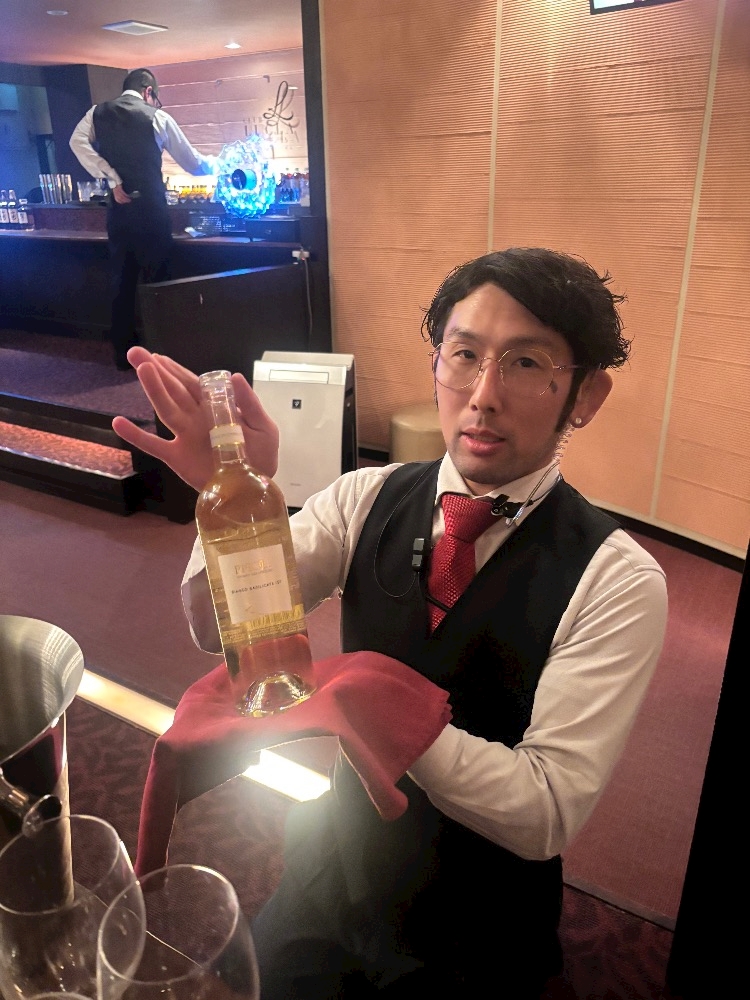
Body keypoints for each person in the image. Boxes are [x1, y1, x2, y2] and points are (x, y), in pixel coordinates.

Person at [112, 247, 668, 999]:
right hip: (338, 861)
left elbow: (546, 810)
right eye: (464, 355)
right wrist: (232, 497)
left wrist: (382, 711)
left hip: (483, 917)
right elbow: (218, 628)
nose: (483, 396)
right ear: (437, 364)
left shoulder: (618, 580)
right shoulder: (361, 499)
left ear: (586, 394)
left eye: (527, 364)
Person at [69, 68, 216, 370]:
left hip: (119, 211)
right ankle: (161, 355)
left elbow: (76, 142)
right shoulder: (157, 117)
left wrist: (111, 177)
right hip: (151, 210)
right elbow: (193, 163)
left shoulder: (97, 113)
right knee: (157, 281)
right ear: (148, 91)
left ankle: (124, 355)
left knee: (121, 281)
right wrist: (219, 164)